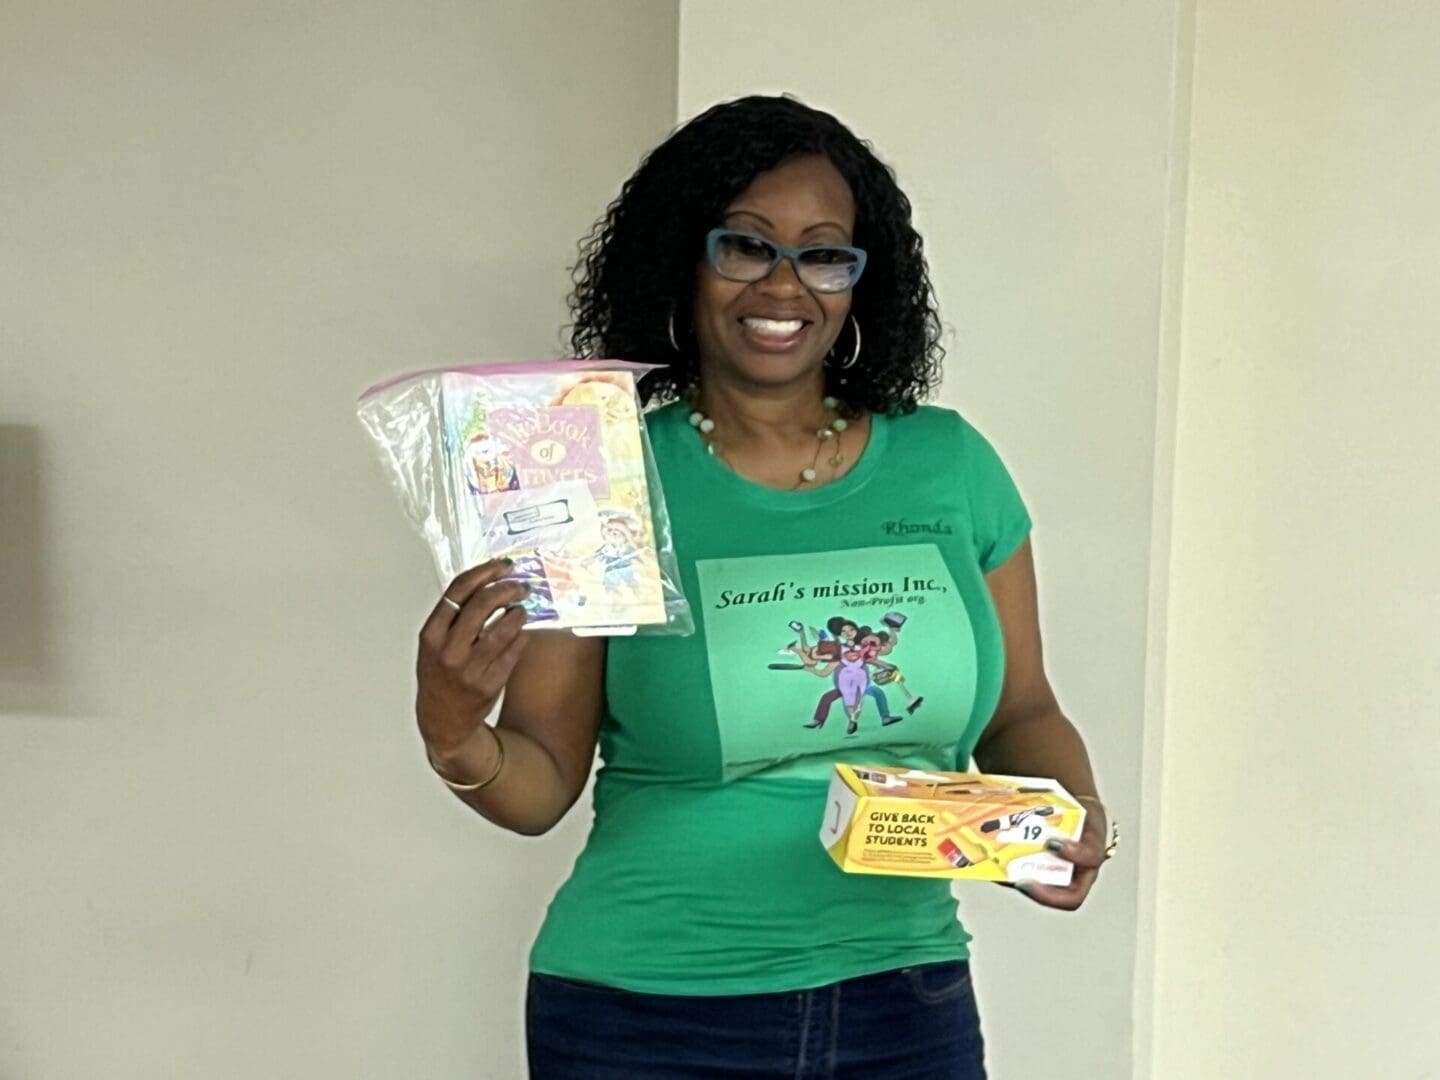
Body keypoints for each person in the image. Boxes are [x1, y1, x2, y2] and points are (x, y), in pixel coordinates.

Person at [413, 95, 1114, 1079]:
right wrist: (454, 732)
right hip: (645, 1018)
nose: (785, 284)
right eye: (745, 246)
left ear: (862, 282)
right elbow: (537, 785)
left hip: (903, 1002)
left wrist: (1066, 815)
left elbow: (1023, 711)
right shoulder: (593, 473)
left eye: (824, 254)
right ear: (683, 260)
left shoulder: (950, 467)